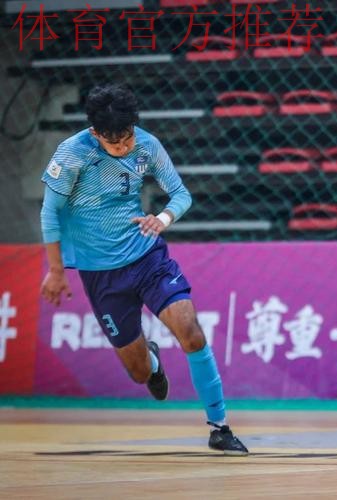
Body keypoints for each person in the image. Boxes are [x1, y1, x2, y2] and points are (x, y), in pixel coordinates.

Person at [39, 83, 248, 455]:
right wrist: (56, 271)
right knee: (138, 373)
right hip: (101, 274)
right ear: (95, 133)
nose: (124, 147)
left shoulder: (147, 145)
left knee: (191, 333)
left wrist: (162, 218)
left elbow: (181, 194)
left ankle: (220, 427)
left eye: (128, 137)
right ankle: (151, 362)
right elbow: (50, 212)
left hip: (148, 257)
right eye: (114, 142)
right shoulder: (72, 154)